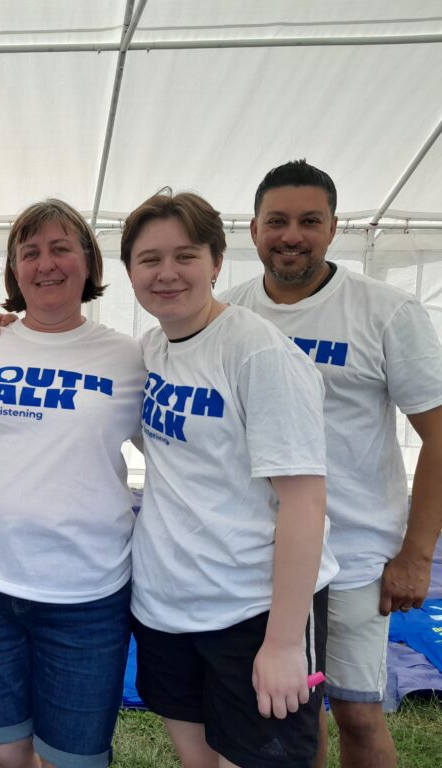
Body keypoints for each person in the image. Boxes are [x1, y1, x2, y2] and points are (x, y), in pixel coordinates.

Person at [222, 160, 442, 768]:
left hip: (353, 554)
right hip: (257, 550)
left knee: (357, 712)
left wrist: (415, 555)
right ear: (253, 228)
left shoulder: (386, 312)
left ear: (334, 227)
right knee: (293, 708)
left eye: (309, 221)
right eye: (278, 221)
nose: (291, 235)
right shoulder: (230, 312)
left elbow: (438, 436)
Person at [122, 190, 337, 768]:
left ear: (217, 263)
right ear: (130, 273)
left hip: (252, 611)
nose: (167, 274)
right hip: (167, 607)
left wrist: (285, 641)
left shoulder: (257, 352)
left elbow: (304, 501)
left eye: (185, 256)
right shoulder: (149, 350)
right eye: (149, 260)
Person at [0, 199, 145, 768]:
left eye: (61, 248)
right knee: (1, 755)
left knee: (73, 761)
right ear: (13, 270)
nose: (45, 264)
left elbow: (179, 458)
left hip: (84, 595)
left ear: (88, 263)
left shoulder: (129, 358)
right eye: (29, 252)